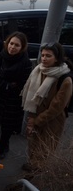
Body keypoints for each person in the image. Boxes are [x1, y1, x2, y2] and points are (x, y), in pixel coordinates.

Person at [21, 42, 72, 173]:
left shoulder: (65, 79)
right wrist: (32, 119)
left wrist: (37, 121)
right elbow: (33, 99)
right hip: (35, 115)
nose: (44, 58)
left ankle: (35, 177)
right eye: (42, 55)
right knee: (33, 144)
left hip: (52, 121)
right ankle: (32, 167)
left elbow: (56, 107)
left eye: (48, 56)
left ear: (57, 58)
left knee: (44, 149)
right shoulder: (39, 70)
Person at [0, 32, 33, 160]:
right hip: (0, 97)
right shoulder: (2, 55)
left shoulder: (26, 63)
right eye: (11, 43)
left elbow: (21, 85)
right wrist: (7, 85)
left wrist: (7, 85)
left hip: (13, 101)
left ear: (22, 47)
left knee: (7, 127)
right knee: (0, 123)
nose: (12, 47)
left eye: (17, 45)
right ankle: (2, 146)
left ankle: (2, 147)